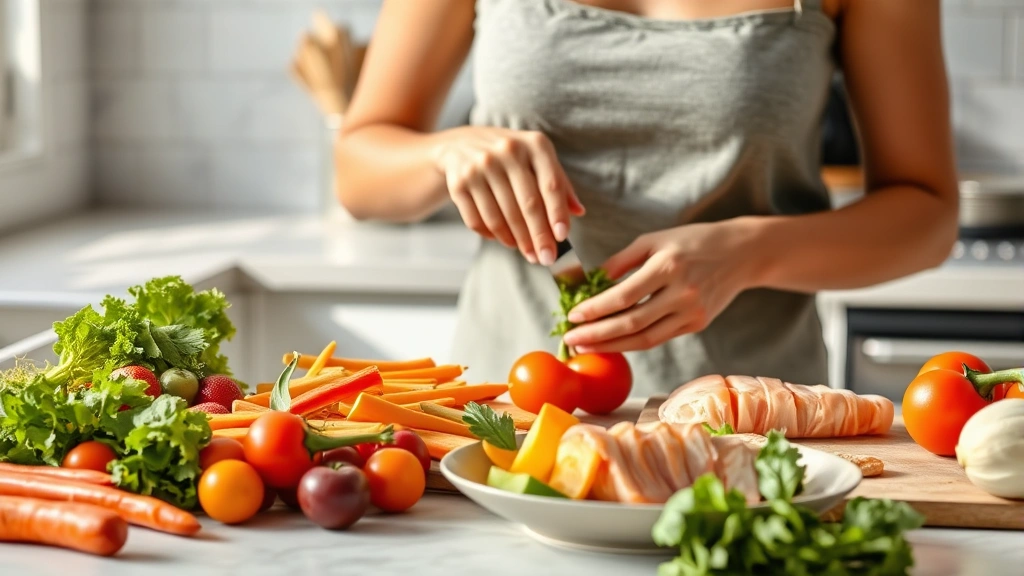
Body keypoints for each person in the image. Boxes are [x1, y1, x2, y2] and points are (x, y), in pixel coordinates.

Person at [333, 0, 958, 396]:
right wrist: (447, 153)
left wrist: (750, 251)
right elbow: (357, 169)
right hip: (509, 407)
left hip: (751, 417)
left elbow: (928, 213)